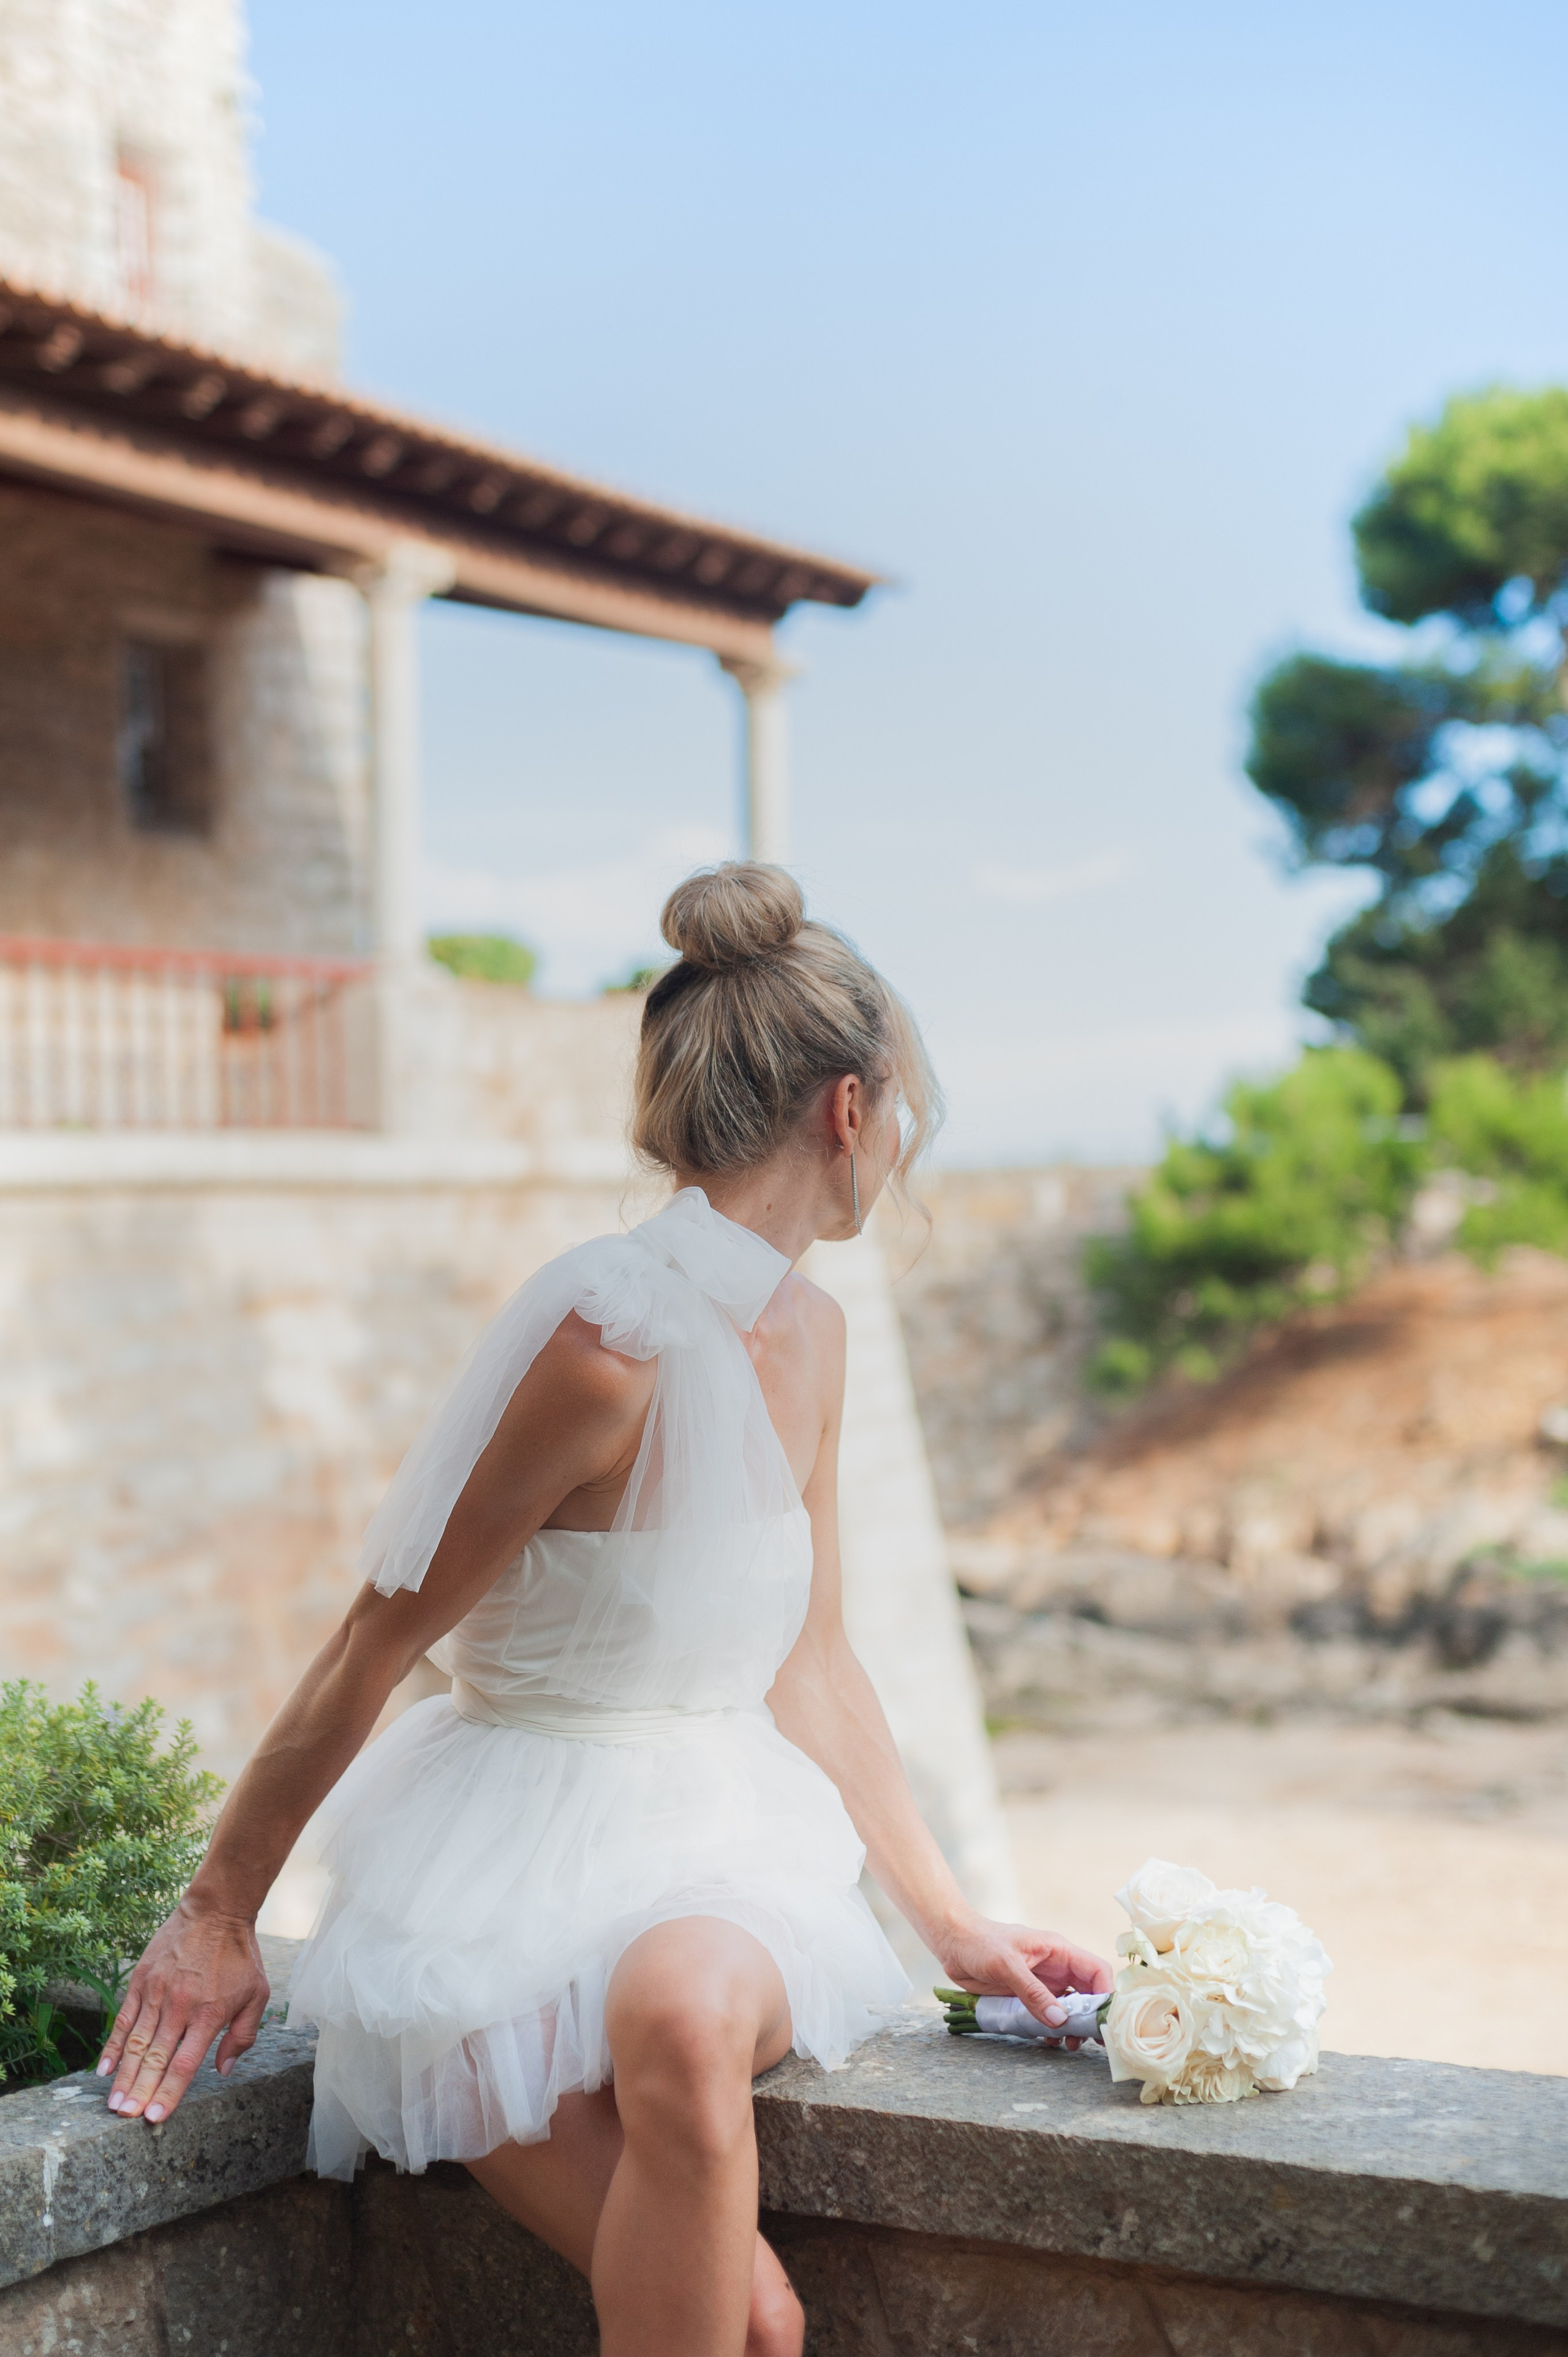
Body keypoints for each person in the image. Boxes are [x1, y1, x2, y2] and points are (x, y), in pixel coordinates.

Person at [99, 863, 1112, 2357]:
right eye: (892, 1116)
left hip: (718, 1844)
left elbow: (815, 1666)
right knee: (759, 2326)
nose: (893, 1147)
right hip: (483, 1877)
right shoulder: (600, 1347)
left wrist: (952, 1922)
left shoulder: (816, 1338)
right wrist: (215, 1913)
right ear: (847, 1110)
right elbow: (369, 1646)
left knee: (687, 2015)